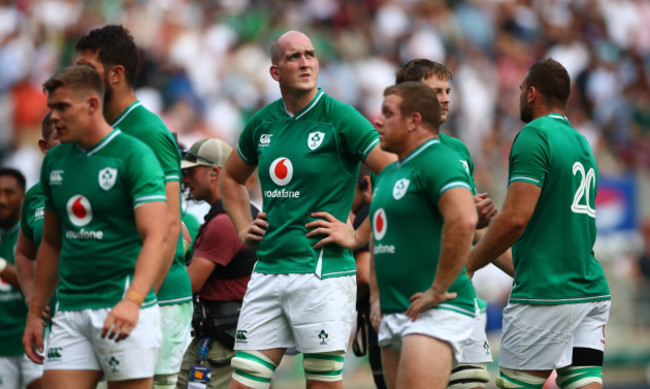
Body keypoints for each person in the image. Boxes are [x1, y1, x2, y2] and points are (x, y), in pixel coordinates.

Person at [218, 30, 394, 389]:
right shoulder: (263, 121)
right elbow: (231, 178)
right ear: (275, 72)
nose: (305, 62)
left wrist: (358, 234)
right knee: (243, 382)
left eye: (310, 55)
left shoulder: (340, 117)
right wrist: (242, 226)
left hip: (322, 274)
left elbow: (395, 173)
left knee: (322, 384)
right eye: (294, 56)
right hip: (267, 270)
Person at [466, 58, 611, 389]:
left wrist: (468, 264)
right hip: (589, 290)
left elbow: (516, 219)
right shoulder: (581, 143)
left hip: (545, 296)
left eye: (519, 90)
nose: (518, 96)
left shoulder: (533, 135)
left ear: (532, 94)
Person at [21, 64, 168, 389]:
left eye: (62, 107)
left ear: (91, 105)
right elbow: (51, 244)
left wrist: (134, 300)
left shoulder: (134, 156)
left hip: (122, 305)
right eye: (51, 108)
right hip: (70, 312)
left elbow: (155, 236)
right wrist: (35, 310)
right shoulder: (55, 163)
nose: (54, 117)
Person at [75, 25, 192, 389]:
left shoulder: (147, 131)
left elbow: (171, 226)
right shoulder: (96, 129)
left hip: (148, 297)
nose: (77, 78)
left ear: (116, 74)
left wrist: (142, 301)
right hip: (106, 295)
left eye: (87, 68)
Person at [395, 59, 501, 389]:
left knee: (472, 381)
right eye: (435, 91)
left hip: (457, 291)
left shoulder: (457, 151)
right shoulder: (389, 150)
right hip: (410, 294)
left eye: (448, 91)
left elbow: (474, 231)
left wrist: (524, 268)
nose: (445, 98)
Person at [369, 81, 478, 389]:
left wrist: (438, 287)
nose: (378, 120)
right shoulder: (391, 171)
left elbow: (465, 219)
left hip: (434, 311)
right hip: (394, 310)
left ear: (414, 120)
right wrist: (377, 296)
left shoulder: (438, 159)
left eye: (388, 113)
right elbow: (378, 236)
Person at [176, 138, 258, 389]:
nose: (186, 179)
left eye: (191, 172)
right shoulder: (241, 211)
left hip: (221, 344)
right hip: (232, 338)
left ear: (215, 173)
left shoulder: (225, 221)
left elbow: (190, 284)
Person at [0, 167, 40, 389]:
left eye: (9, 192)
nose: (2, 200)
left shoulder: (33, 234)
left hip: (33, 336)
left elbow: (35, 284)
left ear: (23, 197)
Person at [15, 113, 60, 310]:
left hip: (106, 310)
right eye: (60, 136)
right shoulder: (34, 195)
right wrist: (33, 299)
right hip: (58, 321)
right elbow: (24, 253)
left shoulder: (104, 184)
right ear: (45, 146)